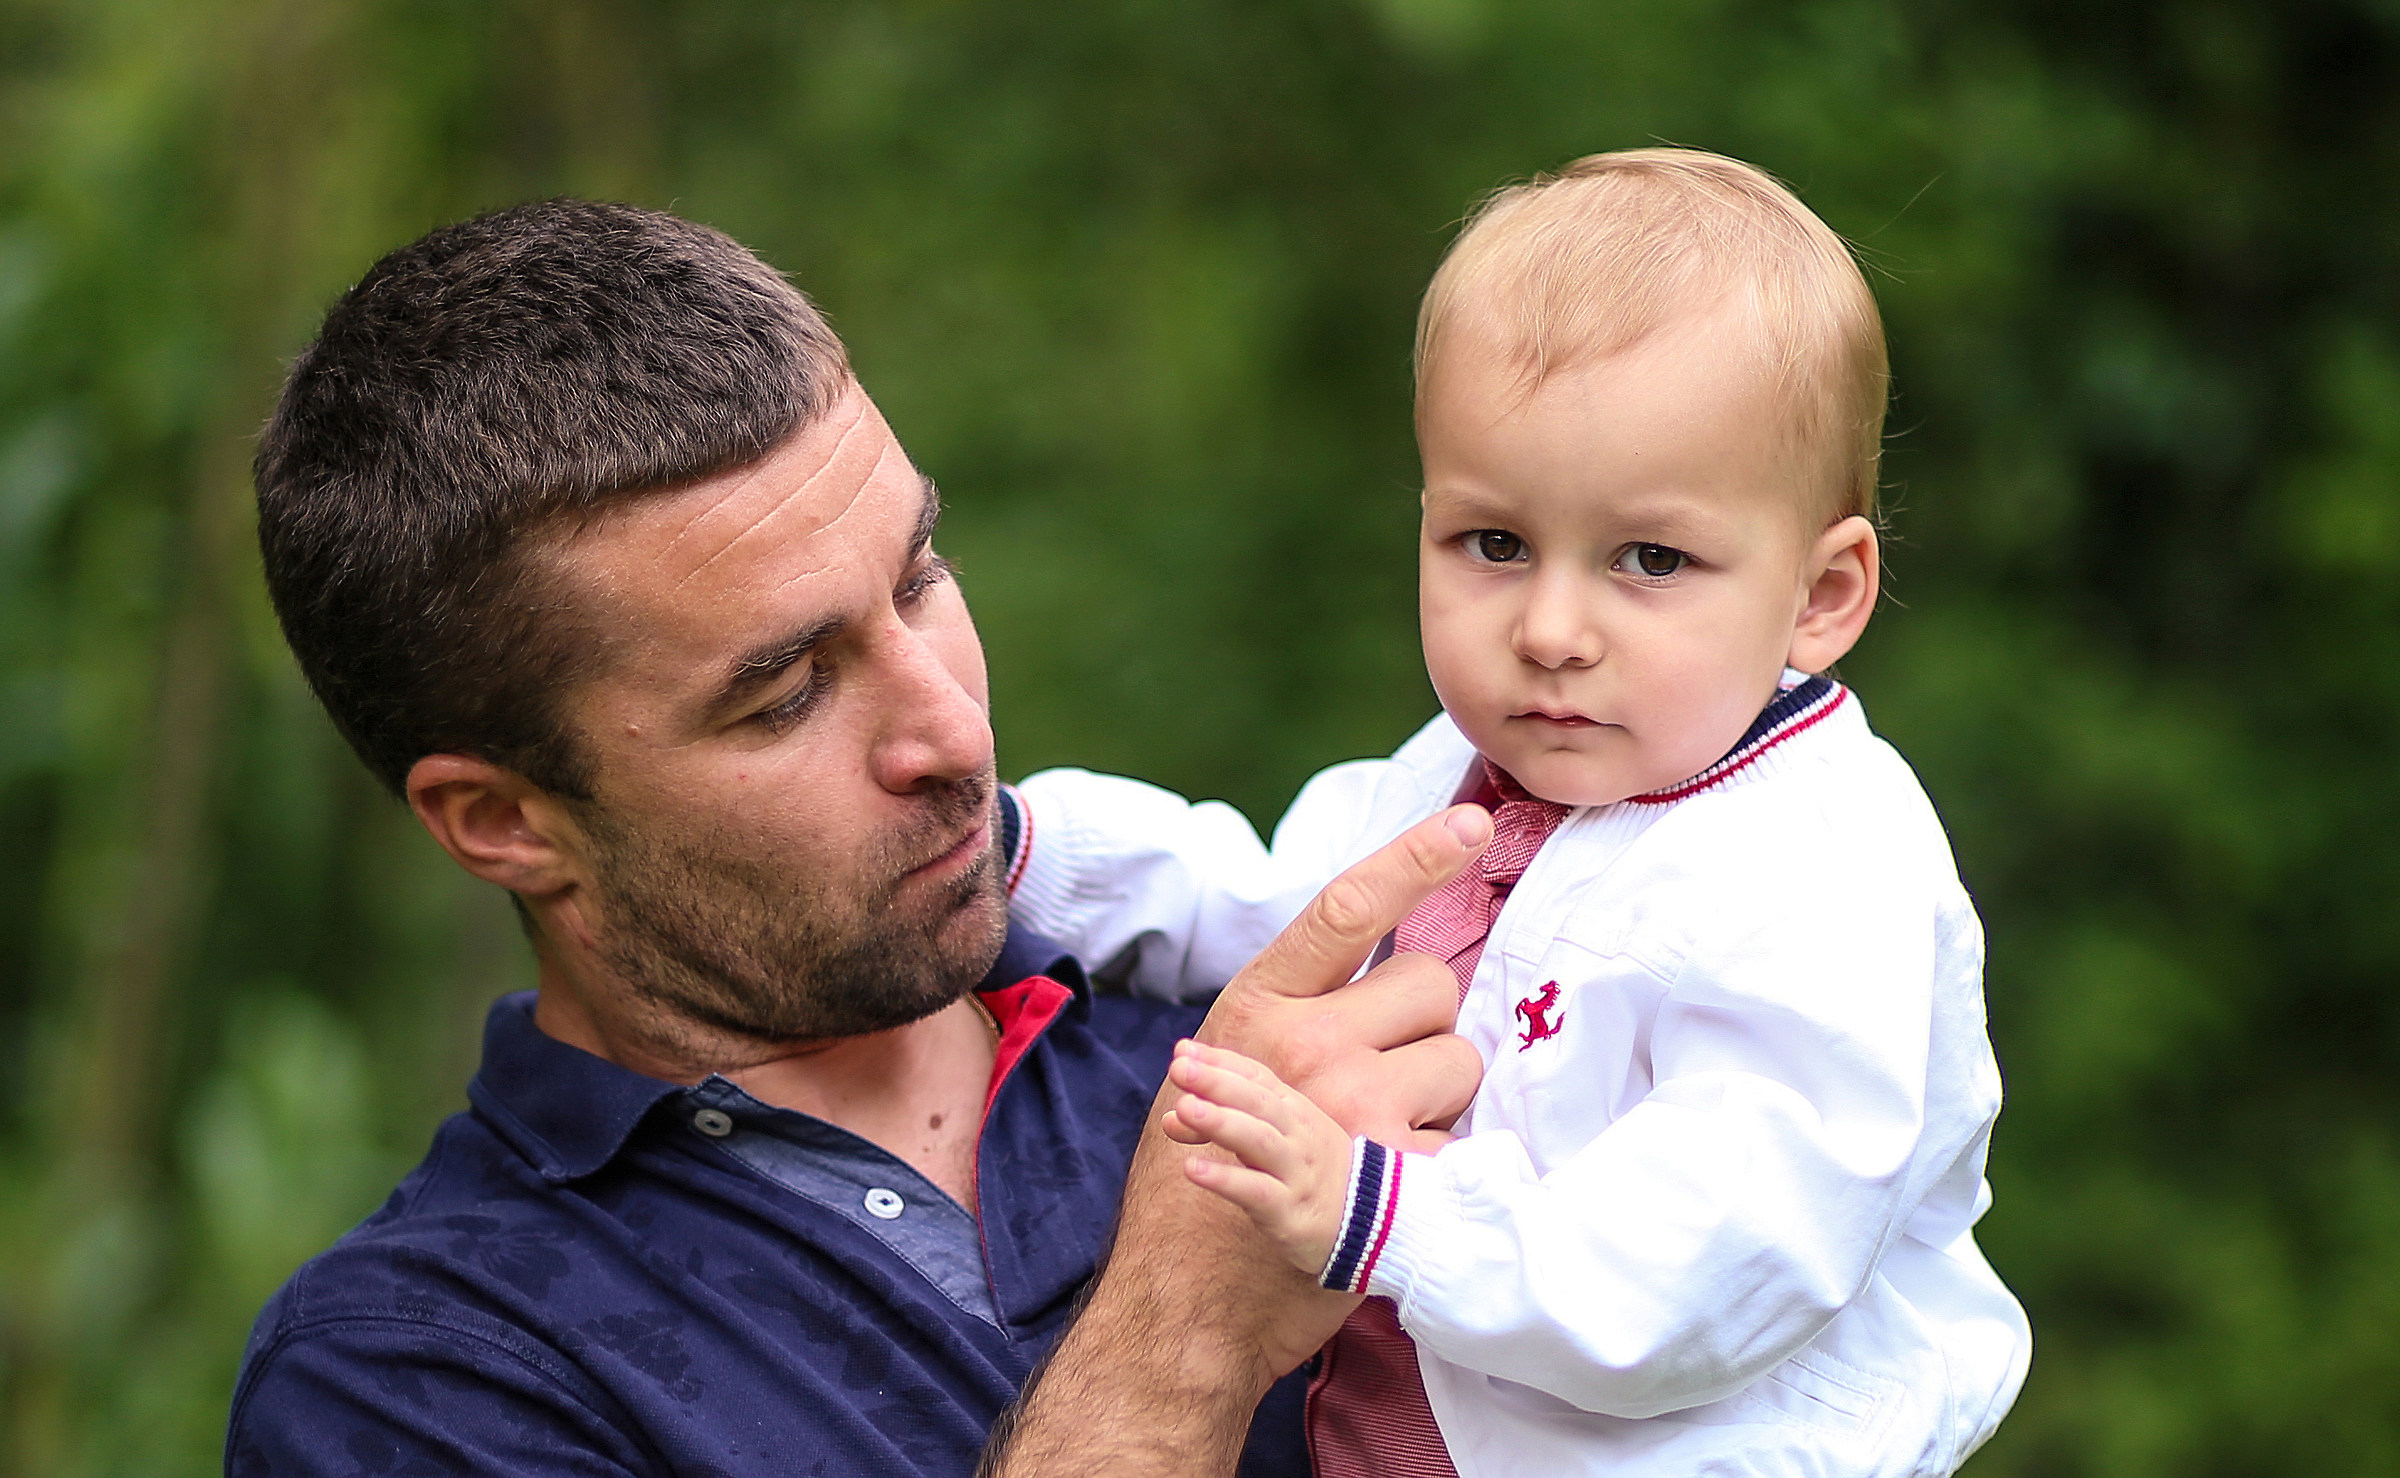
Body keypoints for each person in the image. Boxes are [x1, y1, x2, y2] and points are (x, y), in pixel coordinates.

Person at [225, 198, 1489, 1478]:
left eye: (920, 577)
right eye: (786, 693)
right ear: (504, 821)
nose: (949, 732)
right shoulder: (411, 1381)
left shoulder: (1266, 1031)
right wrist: (1184, 1335)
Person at [1000, 149, 2033, 1476]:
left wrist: (1389, 1215)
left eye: (1649, 559)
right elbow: (1277, 904)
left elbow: (1715, 1255)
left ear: (1823, 594)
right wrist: (1037, 855)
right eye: (1493, 543)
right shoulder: (1471, 766)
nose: (1549, 630)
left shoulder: (1816, 872)